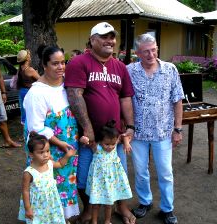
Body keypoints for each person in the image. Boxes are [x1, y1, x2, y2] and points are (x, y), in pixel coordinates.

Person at [65, 22, 136, 224]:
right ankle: (89, 208)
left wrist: (130, 126)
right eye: (104, 37)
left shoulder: (120, 67)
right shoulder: (79, 62)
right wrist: (88, 129)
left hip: (114, 138)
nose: (110, 41)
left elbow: (125, 98)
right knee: (84, 178)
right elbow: (74, 95)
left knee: (118, 175)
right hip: (90, 138)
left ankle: (121, 207)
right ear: (92, 40)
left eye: (112, 37)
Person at [126, 34, 184, 224]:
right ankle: (145, 201)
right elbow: (124, 99)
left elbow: (177, 100)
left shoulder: (170, 70)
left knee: (165, 172)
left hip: (163, 133)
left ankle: (167, 209)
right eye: (146, 51)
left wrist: (178, 129)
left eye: (154, 49)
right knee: (141, 171)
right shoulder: (129, 71)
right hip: (138, 133)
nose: (151, 54)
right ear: (137, 53)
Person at [23, 46, 80, 221]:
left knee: (66, 187)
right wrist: (60, 143)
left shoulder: (67, 86)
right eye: (55, 63)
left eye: (63, 62)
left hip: (70, 148)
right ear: (44, 65)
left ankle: (63, 218)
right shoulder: (37, 93)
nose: (61, 67)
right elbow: (36, 129)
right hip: (48, 152)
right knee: (49, 189)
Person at [80, 120, 132, 224]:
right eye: (107, 144)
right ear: (100, 141)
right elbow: (85, 142)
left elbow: (124, 136)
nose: (110, 147)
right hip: (98, 182)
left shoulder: (115, 143)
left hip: (111, 182)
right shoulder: (96, 147)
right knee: (96, 203)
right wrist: (83, 139)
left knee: (109, 203)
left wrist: (126, 143)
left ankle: (107, 221)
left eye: (113, 144)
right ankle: (94, 221)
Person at [18, 132, 76, 224]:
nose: (45, 155)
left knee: (52, 218)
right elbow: (25, 191)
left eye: (47, 151)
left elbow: (60, 164)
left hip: (51, 201)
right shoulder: (29, 172)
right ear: (31, 154)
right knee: (38, 220)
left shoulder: (49, 163)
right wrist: (28, 209)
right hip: (37, 204)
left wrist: (68, 155)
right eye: (41, 152)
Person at [16, 49, 40, 125]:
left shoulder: (20, 69)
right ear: (27, 58)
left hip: (22, 92)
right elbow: (41, 80)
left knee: (24, 113)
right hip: (29, 93)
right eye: (29, 55)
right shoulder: (30, 70)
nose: (30, 56)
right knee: (32, 113)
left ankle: (25, 132)